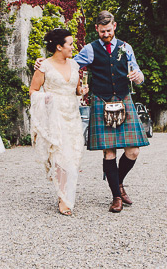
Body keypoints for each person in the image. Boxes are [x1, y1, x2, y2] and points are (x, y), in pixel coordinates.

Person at [37, 11, 149, 213]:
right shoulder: (90, 49)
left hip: (124, 99)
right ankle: (116, 196)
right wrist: (42, 64)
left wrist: (137, 76)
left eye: (109, 30)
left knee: (133, 151)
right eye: (102, 31)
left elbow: (139, 74)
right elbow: (66, 65)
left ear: (114, 26)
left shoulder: (126, 48)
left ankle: (119, 183)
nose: (106, 34)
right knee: (109, 152)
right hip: (102, 101)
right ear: (97, 28)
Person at [30, 28, 86, 216]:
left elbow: (76, 90)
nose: (73, 47)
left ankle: (67, 192)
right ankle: (64, 198)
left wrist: (82, 91)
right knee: (60, 156)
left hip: (72, 116)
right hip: (54, 116)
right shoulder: (44, 66)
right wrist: (45, 98)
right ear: (59, 46)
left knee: (74, 155)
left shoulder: (75, 66)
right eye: (70, 44)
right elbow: (33, 90)